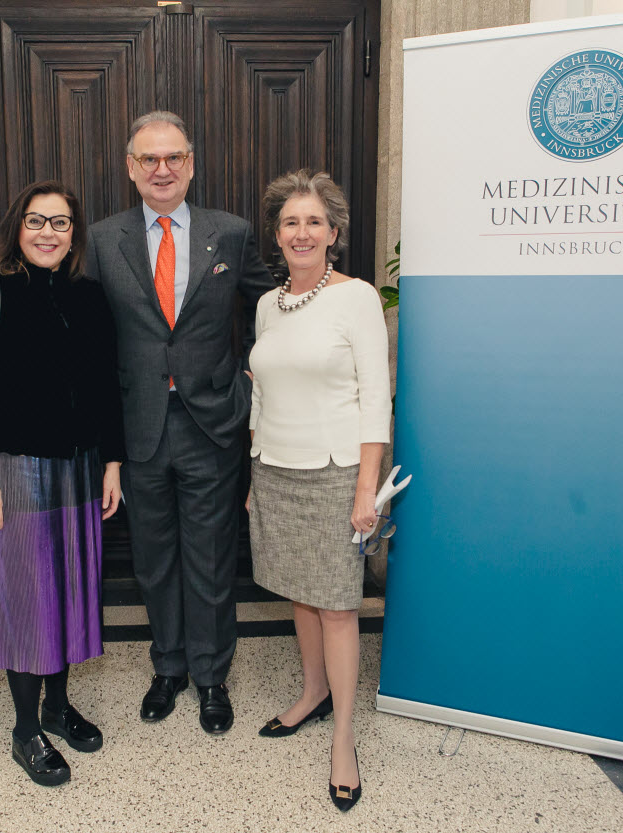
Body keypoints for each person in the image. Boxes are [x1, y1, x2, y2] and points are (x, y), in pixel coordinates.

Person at [86, 111, 275, 733]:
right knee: (154, 559)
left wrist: (251, 374)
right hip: (138, 425)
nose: (161, 169)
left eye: (173, 158)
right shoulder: (102, 239)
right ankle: (168, 667)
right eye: (149, 159)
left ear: (191, 165)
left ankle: (212, 676)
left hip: (211, 422)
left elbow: (270, 307)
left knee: (211, 558)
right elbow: (89, 335)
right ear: (130, 168)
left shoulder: (232, 233)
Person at [0, 180, 124, 787]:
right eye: (37, 220)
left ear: (74, 233)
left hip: (79, 466)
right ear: (16, 226)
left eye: (61, 222)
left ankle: (58, 706)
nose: (48, 232)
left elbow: (105, 386)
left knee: (68, 591)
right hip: (10, 467)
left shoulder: (87, 295)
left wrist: (113, 463)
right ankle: (25, 730)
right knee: (26, 597)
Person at [247, 170, 391, 811]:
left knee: (336, 606)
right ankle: (312, 693)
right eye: (290, 222)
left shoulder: (357, 297)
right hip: (275, 469)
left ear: (334, 233)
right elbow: (260, 394)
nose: (301, 233)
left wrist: (366, 489)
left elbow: (375, 399)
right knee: (300, 593)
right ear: (277, 235)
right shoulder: (267, 304)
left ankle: (344, 739)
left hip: (337, 473)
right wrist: (253, 470)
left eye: (313, 222)